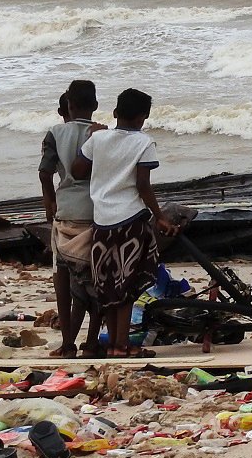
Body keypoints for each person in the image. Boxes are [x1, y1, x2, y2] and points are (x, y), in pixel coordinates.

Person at [72, 88, 170, 357]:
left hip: (102, 220)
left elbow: (77, 171)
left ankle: (115, 344)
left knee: (109, 286)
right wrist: (160, 216)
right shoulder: (144, 143)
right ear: (144, 116)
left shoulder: (98, 139)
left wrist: (94, 147)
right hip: (131, 220)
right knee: (127, 287)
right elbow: (143, 186)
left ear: (115, 113)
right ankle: (121, 345)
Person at [37, 80, 102, 358]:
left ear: (69, 105)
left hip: (65, 213)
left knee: (62, 280)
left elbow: (45, 172)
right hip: (96, 211)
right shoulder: (100, 133)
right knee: (95, 281)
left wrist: (49, 200)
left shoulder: (55, 132)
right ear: (96, 106)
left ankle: (67, 343)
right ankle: (91, 341)